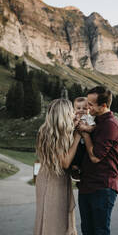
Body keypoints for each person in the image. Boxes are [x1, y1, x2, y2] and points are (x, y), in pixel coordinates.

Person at [77, 86, 118, 235]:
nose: (87, 107)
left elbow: (95, 157)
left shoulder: (110, 125)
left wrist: (85, 135)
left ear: (103, 106)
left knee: (100, 231)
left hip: (102, 186)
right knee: (87, 230)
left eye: (91, 104)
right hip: (87, 185)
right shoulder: (95, 121)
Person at [34, 99, 81, 235]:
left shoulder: (46, 131)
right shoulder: (54, 135)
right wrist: (77, 136)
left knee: (47, 217)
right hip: (54, 182)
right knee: (54, 222)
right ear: (64, 114)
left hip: (46, 178)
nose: (74, 114)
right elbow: (65, 162)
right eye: (72, 111)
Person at [71, 97, 95, 182]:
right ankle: (74, 169)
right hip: (75, 142)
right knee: (75, 154)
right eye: (78, 108)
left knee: (85, 155)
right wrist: (75, 123)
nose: (81, 110)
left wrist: (84, 127)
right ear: (74, 109)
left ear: (88, 108)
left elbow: (92, 128)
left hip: (85, 142)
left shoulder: (88, 117)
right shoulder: (73, 117)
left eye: (84, 108)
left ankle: (82, 170)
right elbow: (70, 128)